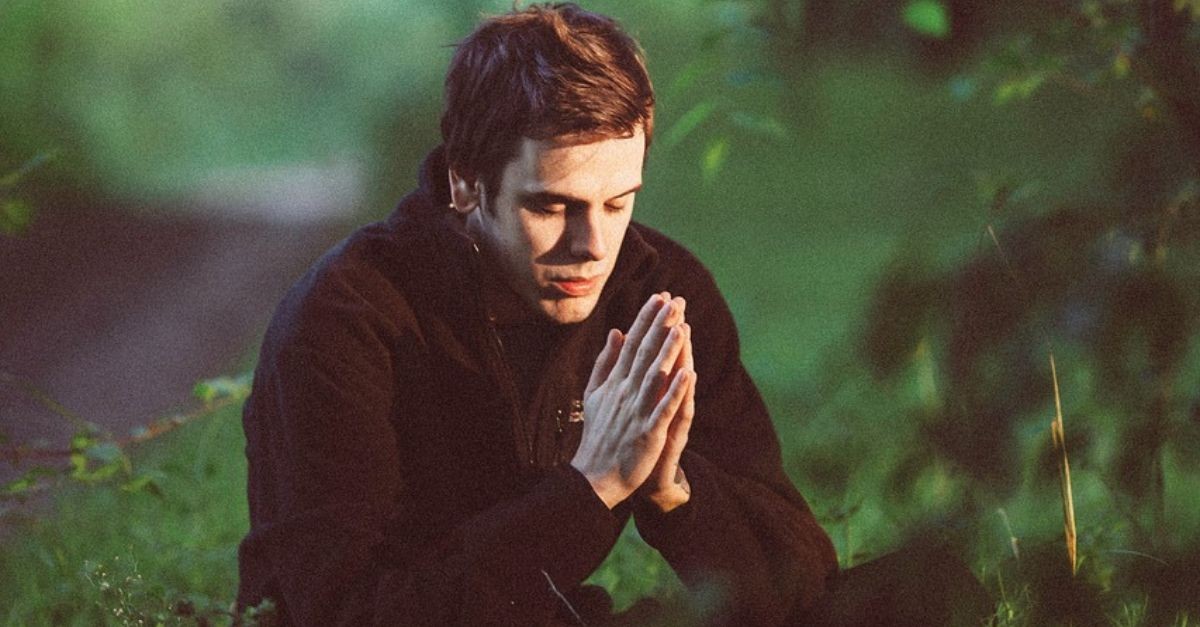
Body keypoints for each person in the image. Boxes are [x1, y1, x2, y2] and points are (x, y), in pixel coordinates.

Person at [236, 4, 838, 625]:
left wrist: (672, 491)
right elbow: (344, 613)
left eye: (617, 202)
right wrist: (592, 488)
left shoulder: (654, 298)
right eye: (552, 208)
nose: (594, 247)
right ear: (466, 184)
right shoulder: (344, 323)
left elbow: (802, 593)